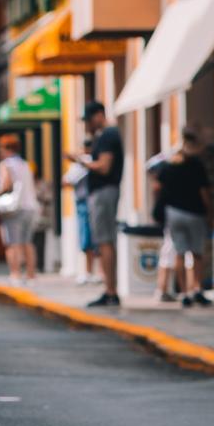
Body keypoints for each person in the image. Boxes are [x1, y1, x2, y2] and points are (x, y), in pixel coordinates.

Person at [68, 101, 123, 307]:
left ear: (99, 115)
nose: (87, 125)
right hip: (101, 193)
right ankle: (110, 289)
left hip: (104, 193)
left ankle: (111, 291)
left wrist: (79, 160)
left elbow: (104, 166)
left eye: (89, 120)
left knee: (105, 240)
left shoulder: (108, 135)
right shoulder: (104, 136)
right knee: (103, 240)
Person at [153, 127, 213, 308]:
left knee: (179, 253)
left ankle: (184, 293)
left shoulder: (170, 164)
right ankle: (196, 289)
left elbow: (157, 186)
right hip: (194, 213)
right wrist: (209, 213)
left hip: (174, 213)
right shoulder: (196, 165)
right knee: (197, 254)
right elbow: (204, 193)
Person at [0, 135, 39, 284]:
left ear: (6, 149)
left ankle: (15, 274)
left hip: (14, 208)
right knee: (28, 242)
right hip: (30, 207)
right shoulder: (26, 164)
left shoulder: (5, 164)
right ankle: (31, 275)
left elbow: (5, 184)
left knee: (13, 243)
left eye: (1, 148)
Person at [62, 138, 99, 285]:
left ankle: (88, 272)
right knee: (97, 237)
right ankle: (98, 272)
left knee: (86, 237)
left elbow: (66, 181)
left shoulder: (83, 161)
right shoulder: (96, 160)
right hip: (95, 201)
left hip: (84, 202)